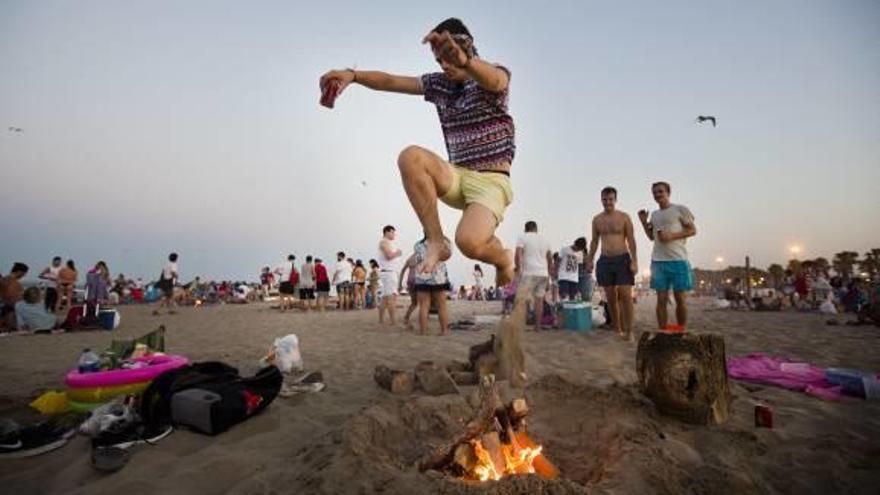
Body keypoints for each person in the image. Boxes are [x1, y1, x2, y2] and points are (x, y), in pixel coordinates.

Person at [320, 17, 517, 288]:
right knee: (410, 156)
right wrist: (353, 76)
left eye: (448, 58)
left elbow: (497, 81)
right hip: (457, 175)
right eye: (439, 62)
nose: (445, 66)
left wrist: (467, 63)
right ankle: (436, 239)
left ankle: (504, 259)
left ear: (468, 48)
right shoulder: (440, 84)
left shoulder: (489, 76)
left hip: (491, 181)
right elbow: (390, 81)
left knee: (470, 242)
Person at [637, 182, 697, 329]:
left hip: (678, 260)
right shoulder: (655, 215)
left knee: (680, 299)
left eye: (660, 192)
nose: (657, 195)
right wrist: (644, 222)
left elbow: (693, 230)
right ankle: (662, 332)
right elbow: (652, 237)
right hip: (658, 261)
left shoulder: (680, 209)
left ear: (668, 193)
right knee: (661, 299)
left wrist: (672, 235)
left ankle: (681, 330)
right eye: (654, 193)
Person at [586, 187, 638, 342]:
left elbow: (631, 239)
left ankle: (629, 331)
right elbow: (594, 241)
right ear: (601, 199)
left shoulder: (624, 217)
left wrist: (634, 260)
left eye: (610, 199)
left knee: (625, 294)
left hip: (622, 258)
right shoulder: (597, 219)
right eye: (604, 199)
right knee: (610, 297)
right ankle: (617, 328)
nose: (607, 202)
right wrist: (590, 259)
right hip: (605, 260)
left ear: (615, 200)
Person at [514, 221, 552, 332]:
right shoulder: (545, 239)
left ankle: (521, 326)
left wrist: (518, 268)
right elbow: (550, 258)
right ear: (536, 229)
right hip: (543, 274)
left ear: (526, 229)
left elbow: (518, 254)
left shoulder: (523, 237)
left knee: (521, 300)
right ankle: (537, 327)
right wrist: (549, 274)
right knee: (539, 301)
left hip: (529, 273)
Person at [412, 236, 452, 335]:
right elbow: (447, 255)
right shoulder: (442, 243)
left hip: (422, 278)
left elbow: (417, 260)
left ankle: (423, 331)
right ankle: (444, 331)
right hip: (438, 278)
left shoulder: (418, 245)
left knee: (423, 306)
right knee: (441, 306)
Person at [377, 225, 403, 325]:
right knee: (391, 298)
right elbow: (389, 256)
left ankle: (381, 320)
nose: (394, 234)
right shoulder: (384, 242)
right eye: (392, 232)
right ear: (387, 232)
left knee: (385, 298)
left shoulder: (386, 242)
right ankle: (393, 321)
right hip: (388, 273)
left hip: (388, 272)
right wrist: (397, 253)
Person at [0, 262, 29, 330]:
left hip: (11, 308)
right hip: (10, 309)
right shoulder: (10, 282)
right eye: (24, 273)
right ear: (19, 271)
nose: (24, 276)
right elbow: (10, 298)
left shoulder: (6, 280)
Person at [399, 252, 419, 330]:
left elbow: (402, 271)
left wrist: (400, 284)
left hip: (410, 281)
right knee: (424, 302)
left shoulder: (410, 258)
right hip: (419, 281)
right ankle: (423, 322)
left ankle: (406, 318)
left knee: (414, 303)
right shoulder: (423, 256)